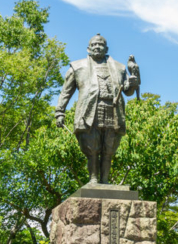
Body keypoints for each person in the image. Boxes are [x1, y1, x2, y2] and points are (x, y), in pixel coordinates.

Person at [55, 34, 138, 184]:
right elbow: (66, 91)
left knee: (109, 149)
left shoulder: (119, 68)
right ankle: (93, 179)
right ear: (88, 48)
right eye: (94, 45)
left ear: (106, 48)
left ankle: (105, 181)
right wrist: (60, 111)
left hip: (113, 111)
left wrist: (132, 83)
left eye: (100, 44)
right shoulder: (77, 66)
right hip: (89, 111)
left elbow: (128, 91)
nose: (97, 47)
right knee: (92, 148)